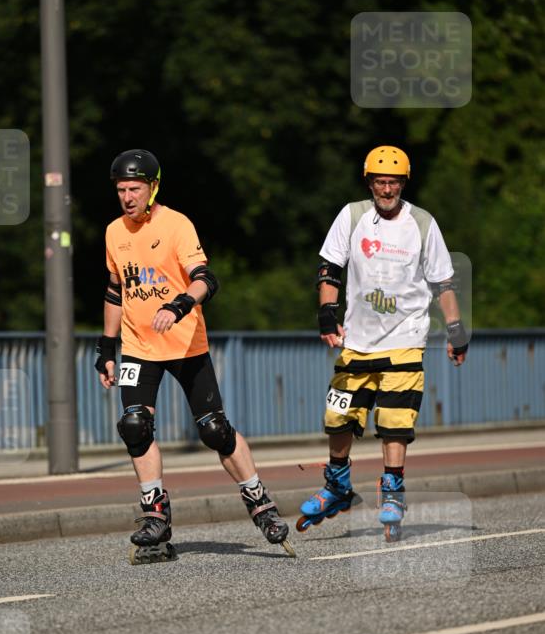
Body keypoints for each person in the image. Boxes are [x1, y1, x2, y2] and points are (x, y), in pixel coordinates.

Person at [96, 149, 293, 564]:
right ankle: (155, 515)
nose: (127, 197)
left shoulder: (176, 224)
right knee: (134, 425)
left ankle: (260, 502)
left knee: (214, 431)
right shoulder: (114, 232)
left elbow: (206, 278)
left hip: (186, 343)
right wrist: (105, 349)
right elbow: (116, 291)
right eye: (120, 190)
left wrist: (179, 305)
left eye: (134, 189)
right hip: (138, 346)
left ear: (152, 188)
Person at [298, 145, 469, 541]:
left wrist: (456, 328)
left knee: (394, 420)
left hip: (405, 339)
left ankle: (392, 490)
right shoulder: (353, 215)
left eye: (393, 182)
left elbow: (443, 282)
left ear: (404, 183)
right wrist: (327, 312)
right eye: (379, 181)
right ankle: (337, 484)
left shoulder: (423, 224)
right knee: (337, 416)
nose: (386, 189)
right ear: (369, 182)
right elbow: (330, 268)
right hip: (356, 340)